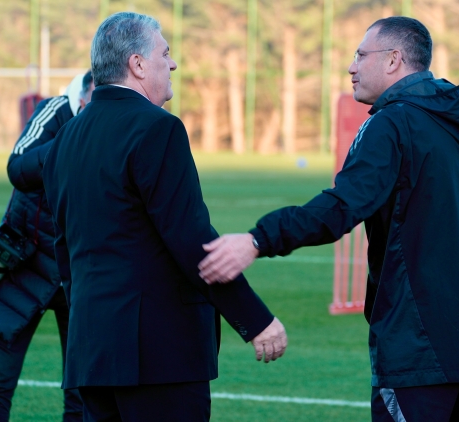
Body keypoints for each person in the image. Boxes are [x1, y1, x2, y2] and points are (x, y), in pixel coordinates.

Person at [198, 16, 459, 422]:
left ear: (393, 60)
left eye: (361, 55)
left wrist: (258, 239)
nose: (351, 67)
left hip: (421, 348)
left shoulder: (392, 123)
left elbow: (341, 207)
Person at [41, 12, 287, 422]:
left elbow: (64, 248)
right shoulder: (157, 128)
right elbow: (191, 240)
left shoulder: (66, 136)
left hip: (92, 350)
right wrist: (255, 319)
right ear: (137, 64)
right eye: (165, 53)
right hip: (158, 356)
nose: (172, 64)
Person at [0, 71, 94, 422]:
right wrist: (74, 137)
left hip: (78, 275)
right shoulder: (55, 111)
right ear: (82, 97)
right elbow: (17, 166)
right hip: (23, 265)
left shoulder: (117, 128)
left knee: (82, 394)